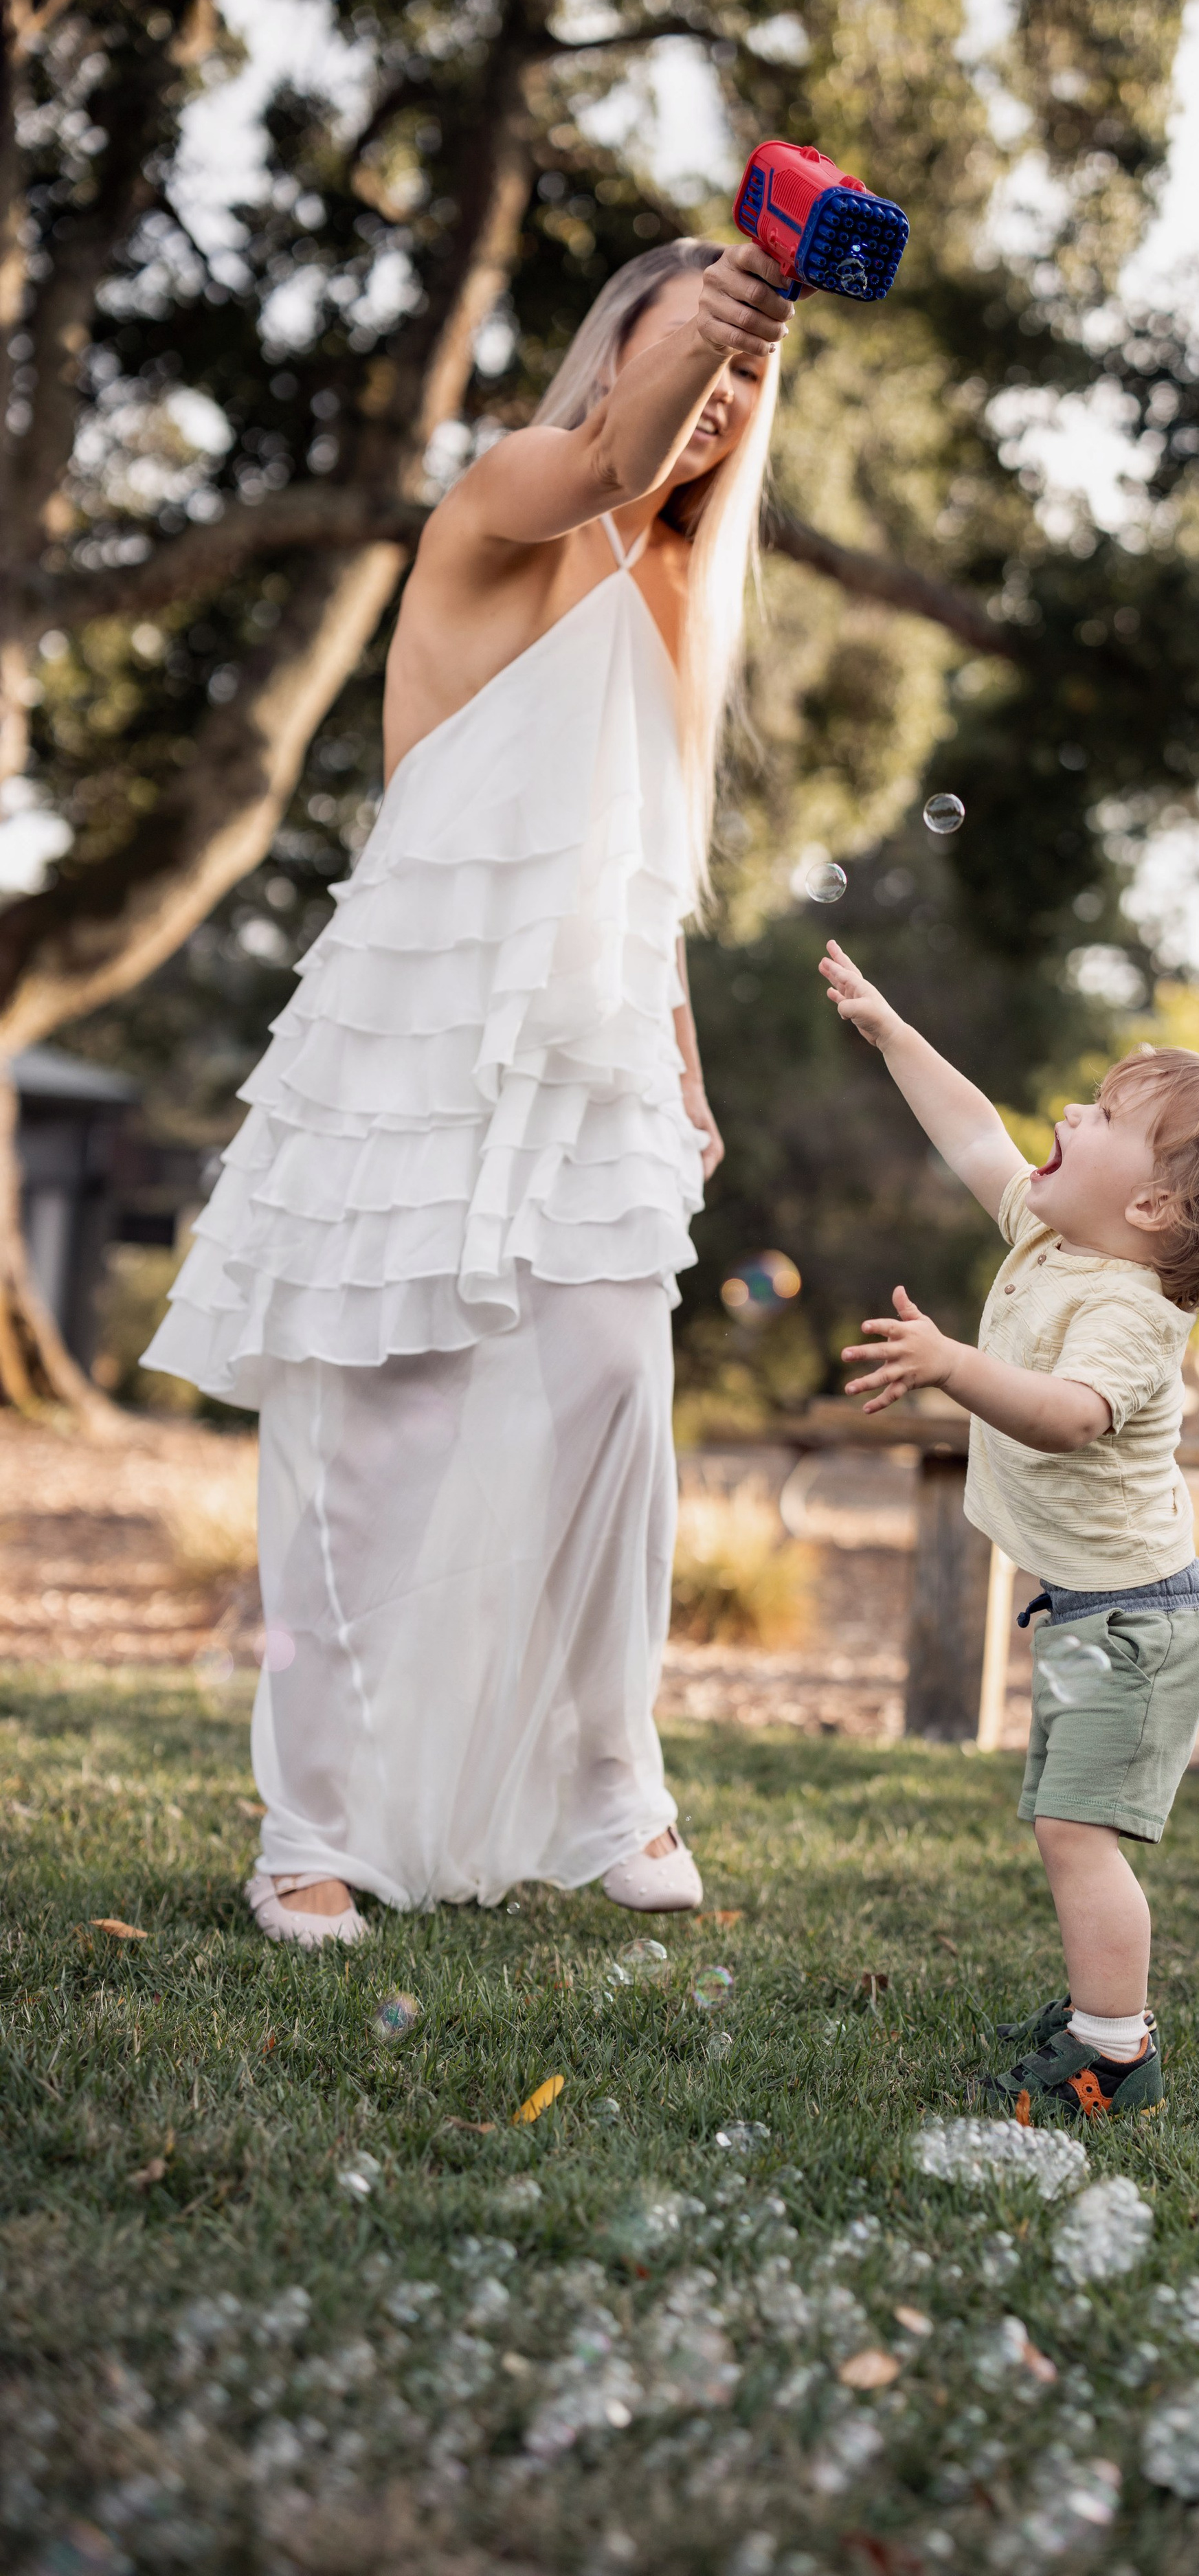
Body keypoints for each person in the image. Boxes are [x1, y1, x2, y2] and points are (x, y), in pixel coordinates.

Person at [144, 239, 794, 1945]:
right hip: (418, 1033)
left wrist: (683, 1057)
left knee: (610, 1405)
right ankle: (310, 1835)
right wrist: (709, 328)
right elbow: (605, 460)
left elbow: (639, 871)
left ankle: (604, 1790)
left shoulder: (680, 597)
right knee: (381, 1437)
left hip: (594, 1061)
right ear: (623, 347)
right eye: (691, 355)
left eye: (745, 382)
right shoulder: (513, 492)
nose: (718, 399)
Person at [818, 939, 1199, 2120]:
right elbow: (975, 1129)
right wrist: (891, 1029)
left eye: (1101, 1113)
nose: (1068, 1111)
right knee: (1060, 1825)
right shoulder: (1052, 1233)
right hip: (1098, 1615)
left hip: (1140, 1627)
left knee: (1079, 1838)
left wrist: (952, 1366)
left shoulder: (1129, 1313)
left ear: (1147, 1204)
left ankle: (1113, 2053)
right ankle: (1098, 2014)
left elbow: (1068, 1421)